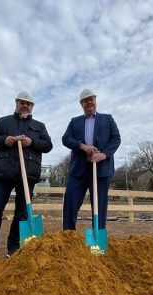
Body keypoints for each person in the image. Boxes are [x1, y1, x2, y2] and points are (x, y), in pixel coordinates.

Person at [0, 91, 53, 271]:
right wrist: (5, 140)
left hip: (28, 175)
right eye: (22, 102)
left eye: (28, 103)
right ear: (16, 103)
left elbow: (48, 145)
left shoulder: (39, 126)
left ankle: (14, 248)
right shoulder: (3, 122)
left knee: (22, 214)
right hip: (4, 174)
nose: (25, 105)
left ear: (32, 107)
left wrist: (31, 142)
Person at [62, 89, 121, 231]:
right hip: (78, 170)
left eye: (91, 99)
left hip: (101, 170)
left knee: (99, 206)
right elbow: (66, 139)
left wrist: (104, 154)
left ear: (95, 100)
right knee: (70, 201)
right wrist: (81, 146)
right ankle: (68, 237)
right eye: (85, 100)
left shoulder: (108, 119)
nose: (89, 102)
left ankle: (97, 238)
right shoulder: (74, 122)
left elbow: (116, 138)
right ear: (81, 104)